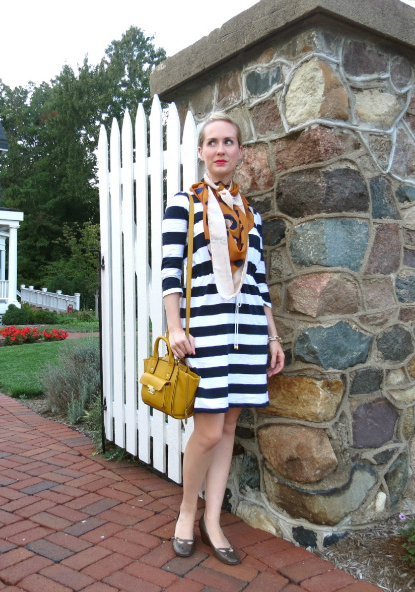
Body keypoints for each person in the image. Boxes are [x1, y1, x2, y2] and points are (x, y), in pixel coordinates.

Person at [161, 112, 284, 565]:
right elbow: (170, 271)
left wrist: (273, 336)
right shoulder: (184, 203)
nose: (220, 149)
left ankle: (213, 520)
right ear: (201, 151)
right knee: (208, 430)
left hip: (248, 330)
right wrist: (175, 326)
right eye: (211, 142)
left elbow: (259, 280)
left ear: (239, 151)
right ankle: (186, 509)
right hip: (205, 332)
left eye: (228, 142)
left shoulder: (250, 212)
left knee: (229, 426)